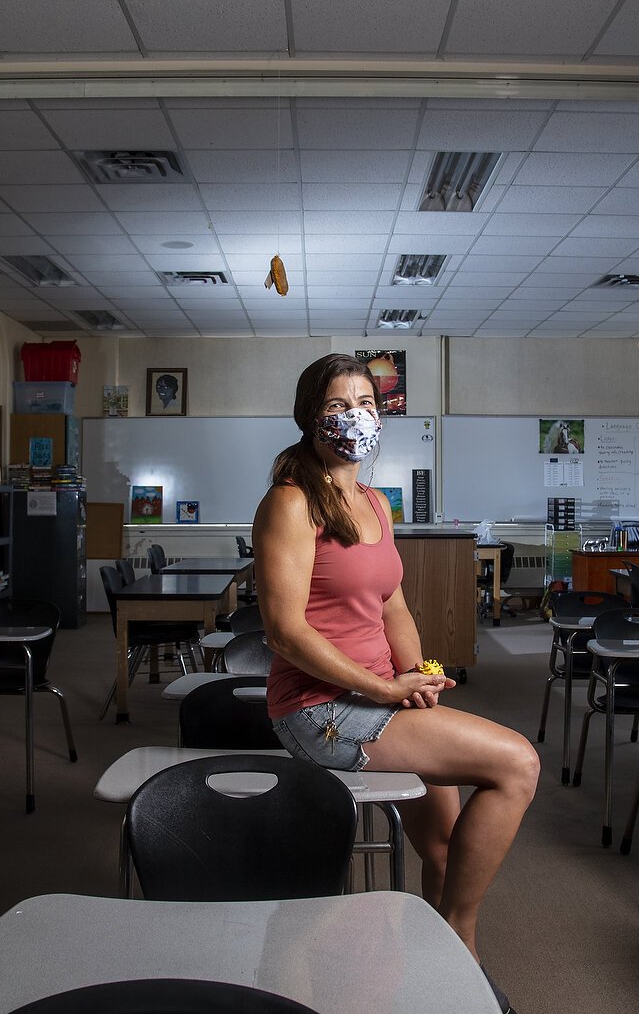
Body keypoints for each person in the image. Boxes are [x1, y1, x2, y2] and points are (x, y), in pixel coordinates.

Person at [255, 353, 540, 975]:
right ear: (309, 417)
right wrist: (385, 692)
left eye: (365, 405)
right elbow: (284, 632)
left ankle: (431, 970)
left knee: (441, 849)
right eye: (337, 405)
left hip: (378, 697)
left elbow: (394, 605)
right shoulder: (291, 502)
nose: (354, 417)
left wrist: (424, 674)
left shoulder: (373, 502)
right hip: (321, 708)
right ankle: (461, 941)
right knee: (518, 762)